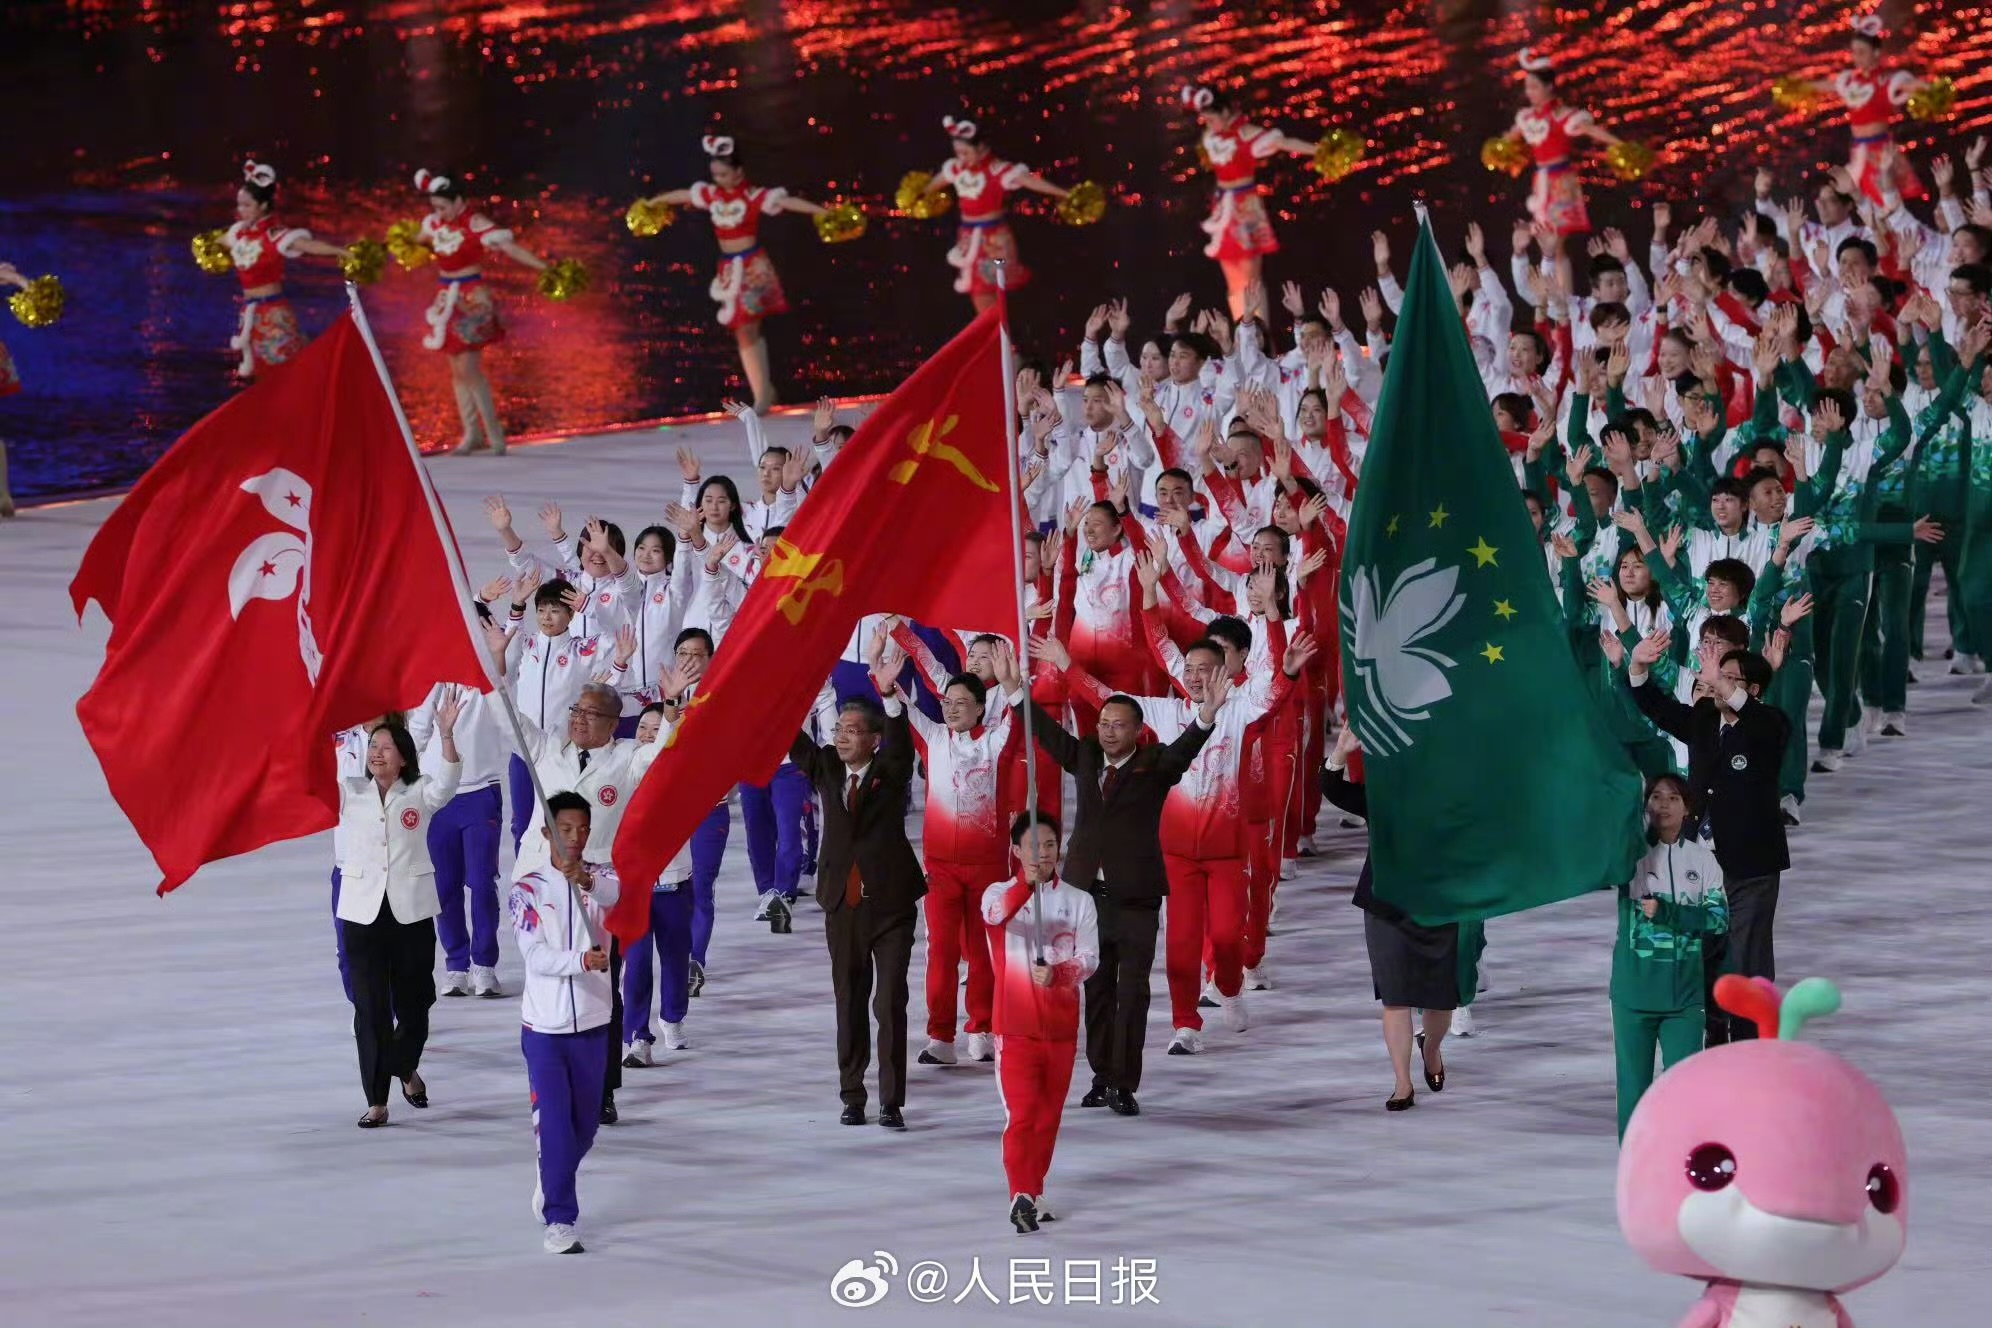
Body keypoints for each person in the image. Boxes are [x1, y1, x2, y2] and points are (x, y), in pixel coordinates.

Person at [998, 647, 1212, 1117]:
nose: (1108, 731)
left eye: (1118, 725)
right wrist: (1014, 690)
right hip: (1087, 898)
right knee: (1095, 991)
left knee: (1132, 993)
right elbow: (1046, 733)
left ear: (1137, 731)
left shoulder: (1155, 763)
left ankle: (1124, 1083)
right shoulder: (1085, 755)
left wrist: (1206, 717)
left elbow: (1185, 750)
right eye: (1103, 723)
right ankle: (1101, 1077)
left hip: (1136, 898)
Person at [1627, 634, 1790, 1045]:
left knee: (1747, 959)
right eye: (1717, 676)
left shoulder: (1770, 725)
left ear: (1753, 690)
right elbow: (1658, 708)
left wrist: (1719, 678)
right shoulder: (1703, 719)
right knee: (1703, 956)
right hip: (1700, 867)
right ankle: (1715, 1041)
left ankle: (1750, 1050)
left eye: (1729, 678)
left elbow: (1758, 721)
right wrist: (1638, 668)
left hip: (1750, 868)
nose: (1717, 683)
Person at [788, 684, 926, 1129]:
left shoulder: (891, 768)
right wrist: (779, 693)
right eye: (838, 730)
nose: (842, 737)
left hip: (891, 908)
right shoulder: (828, 765)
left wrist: (889, 697)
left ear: (873, 739)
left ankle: (891, 1102)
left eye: (852, 730)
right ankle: (852, 1095)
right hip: (842, 907)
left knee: (889, 1004)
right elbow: (791, 738)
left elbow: (902, 746)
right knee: (849, 1002)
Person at [1321, 728, 1466, 1112]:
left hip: (1438, 904)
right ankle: (1402, 1083)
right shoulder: (1383, 794)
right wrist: (1340, 753)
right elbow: (1334, 790)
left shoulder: (1457, 795)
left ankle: (1430, 1048)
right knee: (1395, 996)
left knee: (1440, 999)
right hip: (1384, 904)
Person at [335, 695, 463, 1128]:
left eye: (386, 747)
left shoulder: (419, 791)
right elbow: (312, 786)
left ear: (404, 757)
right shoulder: (350, 792)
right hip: (361, 912)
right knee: (369, 1009)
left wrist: (446, 735)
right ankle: (377, 1100)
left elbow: (448, 782)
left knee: (416, 1002)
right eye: (373, 747)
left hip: (411, 911)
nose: (376, 753)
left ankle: (404, 1065)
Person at [639, 136, 832, 411]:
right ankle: (764, 391)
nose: (718, 179)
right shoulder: (713, 195)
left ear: (738, 172)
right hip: (729, 269)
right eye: (715, 174)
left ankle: (763, 395)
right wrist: (654, 202)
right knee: (744, 330)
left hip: (752, 268)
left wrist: (822, 212)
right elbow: (683, 195)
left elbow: (788, 202)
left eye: (723, 174)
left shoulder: (752, 196)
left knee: (748, 328)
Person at [510, 791, 619, 1255]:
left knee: (585, 1126)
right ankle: (561, 1218)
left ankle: (550, 1175)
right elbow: (534, 955)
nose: (574, 838)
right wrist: (580, 961)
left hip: (594, 1022)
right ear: (547, 833)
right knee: (555, 1124)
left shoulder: (603, 878)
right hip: (545, 1029)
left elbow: (620, 895)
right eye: (565, 829)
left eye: (582, 829)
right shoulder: (527, 889)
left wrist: (587, 882)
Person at [982, 812, 1098, 1235]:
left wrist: (1060, 974)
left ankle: (1033, 1191)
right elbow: (995, 916)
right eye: (1032, 846)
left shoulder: (1079, 901)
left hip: (1062, 1030)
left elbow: (1090, 958)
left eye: (1049, 845)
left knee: (1048, 1119)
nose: (1042, 853)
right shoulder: (998, 894)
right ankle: (1021, 1194)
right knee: (1023, 1115)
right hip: (1015, 1027)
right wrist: (1024, 887)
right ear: (1016, 850)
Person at [1612, 774, 1728, 1138]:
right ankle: (1634, 1162)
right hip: (1634, 997)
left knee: (1683, 1090)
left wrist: (1668, 912)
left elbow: (1719, 919)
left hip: (1684, 1000)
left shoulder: (1703, 860)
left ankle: (1680, 1162)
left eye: (1673, 798)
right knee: (1633, 1090)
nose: (1663, 804)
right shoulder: (1627, 857)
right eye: (1656, 797)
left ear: (1687, 809)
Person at [412, 167, 557, 455]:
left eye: (443, 207)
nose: (439, 213)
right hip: (445, 297)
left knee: (469, 368)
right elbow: (412, 245)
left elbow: (510, 248)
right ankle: (472, 434)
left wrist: (545, 268)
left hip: (472, 299)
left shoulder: (475, 223)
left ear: (458, 201)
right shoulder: (434, 224)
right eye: (435, 208)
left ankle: (495, 435)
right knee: (456, 369)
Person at [1180, 84, 1318, 319]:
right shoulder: (1211, 136)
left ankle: (1260, 333)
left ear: (1225, 112)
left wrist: (1319, 150)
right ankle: (1241, 330)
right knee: (1232, 278)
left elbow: (1284, 143)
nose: (1208, 124)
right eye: (1205, 120)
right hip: (1223, 206)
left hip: (1246, 206)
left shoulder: (1246, 133)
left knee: (1250, 278)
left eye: (1211, 119)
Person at [409, 671, 508, 997]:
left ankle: (485, 964)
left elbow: (505, 668)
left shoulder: (484, 674)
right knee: (443, 886)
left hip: (480, 790)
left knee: (482, 882)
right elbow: (417, 731)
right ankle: (456, 964)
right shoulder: (429, 678)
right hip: (437, 793)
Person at [917, 115, 1076, 313]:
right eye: (958, 153)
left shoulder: (998, 170)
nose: (961, 158)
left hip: (994, 241)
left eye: (965, 152)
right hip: (968, 239)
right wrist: (918, 195)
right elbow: (935, 183)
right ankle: (994, 331)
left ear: (982, 148)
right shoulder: (958, 169)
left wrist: (1064, 194)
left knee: (990, 293)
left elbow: (1030, 181)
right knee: (981, 297)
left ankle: (998, 332)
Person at [219, 160, 351, 380]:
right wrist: (202, 246)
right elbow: (214, 243)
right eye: (239, 205)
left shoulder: (275, 236)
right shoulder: (238, 234)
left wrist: (342, 252)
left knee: (289, 375)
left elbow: (309, 246)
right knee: (261, 378)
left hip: (274, 316)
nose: (241, 211)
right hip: (250, 316)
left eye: (247, 205)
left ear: (263, 206)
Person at [1508, 50, 1623, 250]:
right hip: (1541, 182)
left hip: (1560, 182)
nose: (1529, 92)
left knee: (1556, 244)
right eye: (1527, 87)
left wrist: (1620, 145)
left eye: (1534, 87)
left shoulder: (1562, 115)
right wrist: (1499, 150)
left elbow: (1590, 129)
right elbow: (1509, 140)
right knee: (1546, 244)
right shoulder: (1527, 118)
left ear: (1549, 87)